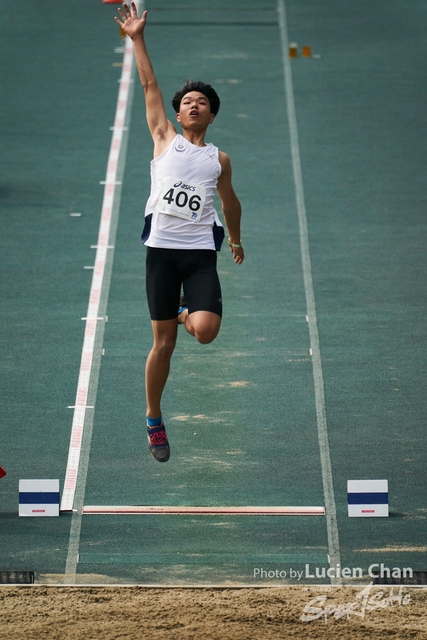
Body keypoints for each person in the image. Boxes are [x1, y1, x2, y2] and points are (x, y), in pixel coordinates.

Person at [115, 3, 244, 463]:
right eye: (187, 100)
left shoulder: (218, 159)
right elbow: (149, 84)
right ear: (177, 111)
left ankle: (189, 308)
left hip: (199, 255)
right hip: (162, 255)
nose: (193, 104)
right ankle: (154, 418)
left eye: (202, 102)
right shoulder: (163, 138)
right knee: (163, 343)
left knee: (205, 332)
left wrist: (235, 237)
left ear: (211, 116)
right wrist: (137, 38)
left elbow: (229, 202)